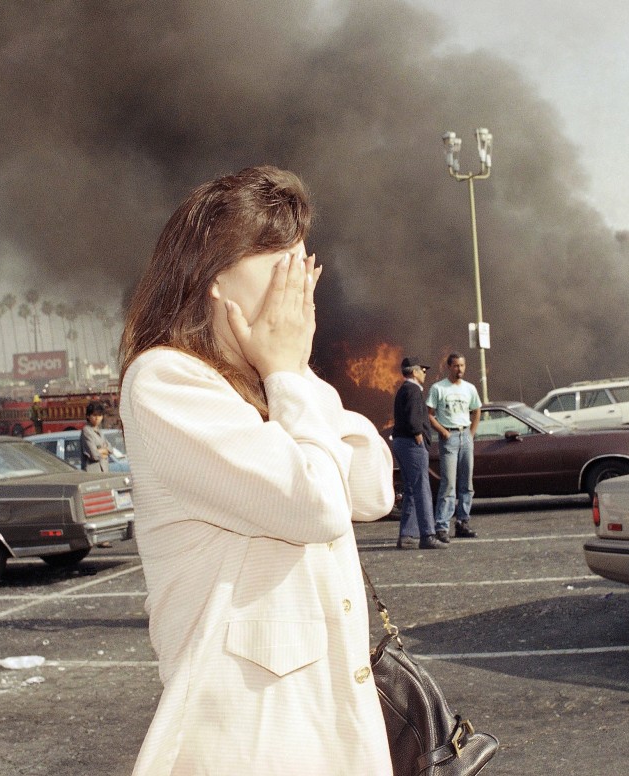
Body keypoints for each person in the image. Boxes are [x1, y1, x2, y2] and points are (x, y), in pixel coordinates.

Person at [117, 166, 394, 775]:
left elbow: (374, 485)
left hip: (332, 729)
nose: (298, 284)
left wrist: (288, 373)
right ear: (216, 276)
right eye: (279, 262)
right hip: (244, 739)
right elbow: (319, 504)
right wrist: (288, 374)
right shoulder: (166, 383)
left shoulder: (277, 379)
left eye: (304, 264)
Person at [391, 356, 445, 550]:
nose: (425, 373)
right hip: (411, 444)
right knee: (422, 488)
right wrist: (418, 435)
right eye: (423, 370)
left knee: (412, 489)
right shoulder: (413, 390)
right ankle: (427, 535)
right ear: (414, 372)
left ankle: (407, 535)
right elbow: (414, 419)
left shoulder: (404, 390)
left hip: (401, 442)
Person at [427, 352, 482, 540]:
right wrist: (442, 432)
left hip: (465, 435)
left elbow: (477, 410)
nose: (460, 369)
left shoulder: (470, 388)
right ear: (449, 367)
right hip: (448, 437)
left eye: (463, 366)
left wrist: (471, 434)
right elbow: (429, 414)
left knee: (467, 483)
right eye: (456, 366)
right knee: (449, 483)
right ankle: (442, 526)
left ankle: (462, 523)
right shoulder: (438, 388)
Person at [80, 401, 111, 472]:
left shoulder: (99, 431)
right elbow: (94, 455)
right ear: (88, 416)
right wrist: (104, 451)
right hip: (92, 472)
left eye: (100, 415)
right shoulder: (86, 431)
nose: (97, 418)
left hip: (104, 470)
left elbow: (110, 449)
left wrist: (100, 450)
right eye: (94, 415)